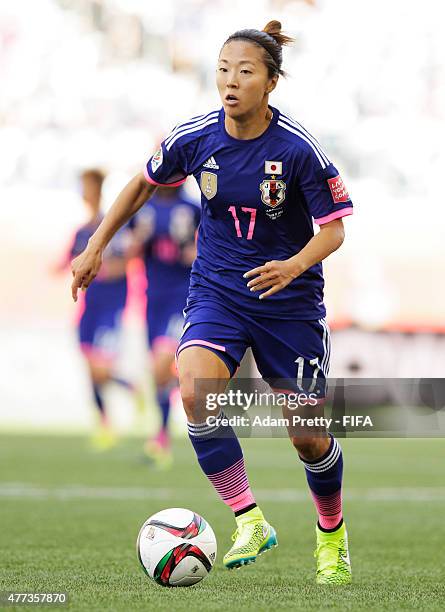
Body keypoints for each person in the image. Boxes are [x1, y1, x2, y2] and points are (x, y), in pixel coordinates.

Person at [71, 21, 353, 584]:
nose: (230, 81)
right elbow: (141, 184)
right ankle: (249, 519)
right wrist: (97, 244)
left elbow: (335, 228)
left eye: (245, 72)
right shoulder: (196, 137)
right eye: (223, 70)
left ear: (270, 82)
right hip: (219, 291)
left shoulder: (299, 150)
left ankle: (332, 536)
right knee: (195, 389)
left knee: (306, 434)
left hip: (290, 302)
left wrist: (295, 264)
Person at [59, 169, 138, 449]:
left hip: (111, 307)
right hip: (88, 309)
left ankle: (133, 390)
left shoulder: (111, 228)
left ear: (98, 190)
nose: (84, 193)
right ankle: (104, 424)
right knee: (90, 370)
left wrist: (99, 270)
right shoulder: (81, 231)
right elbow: (67, 261)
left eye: (87, 187)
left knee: (101, 371)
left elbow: (127, 260)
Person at [132, 184, 200, 467]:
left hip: (181, 296)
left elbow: (210, 246)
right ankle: (161, 434)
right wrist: (140, 237)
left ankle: (162, 433)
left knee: (162, 362)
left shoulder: (193, 208)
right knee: (158, 372)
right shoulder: (141, 208)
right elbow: (129, 250)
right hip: (153, 298)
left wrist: (193, 250)